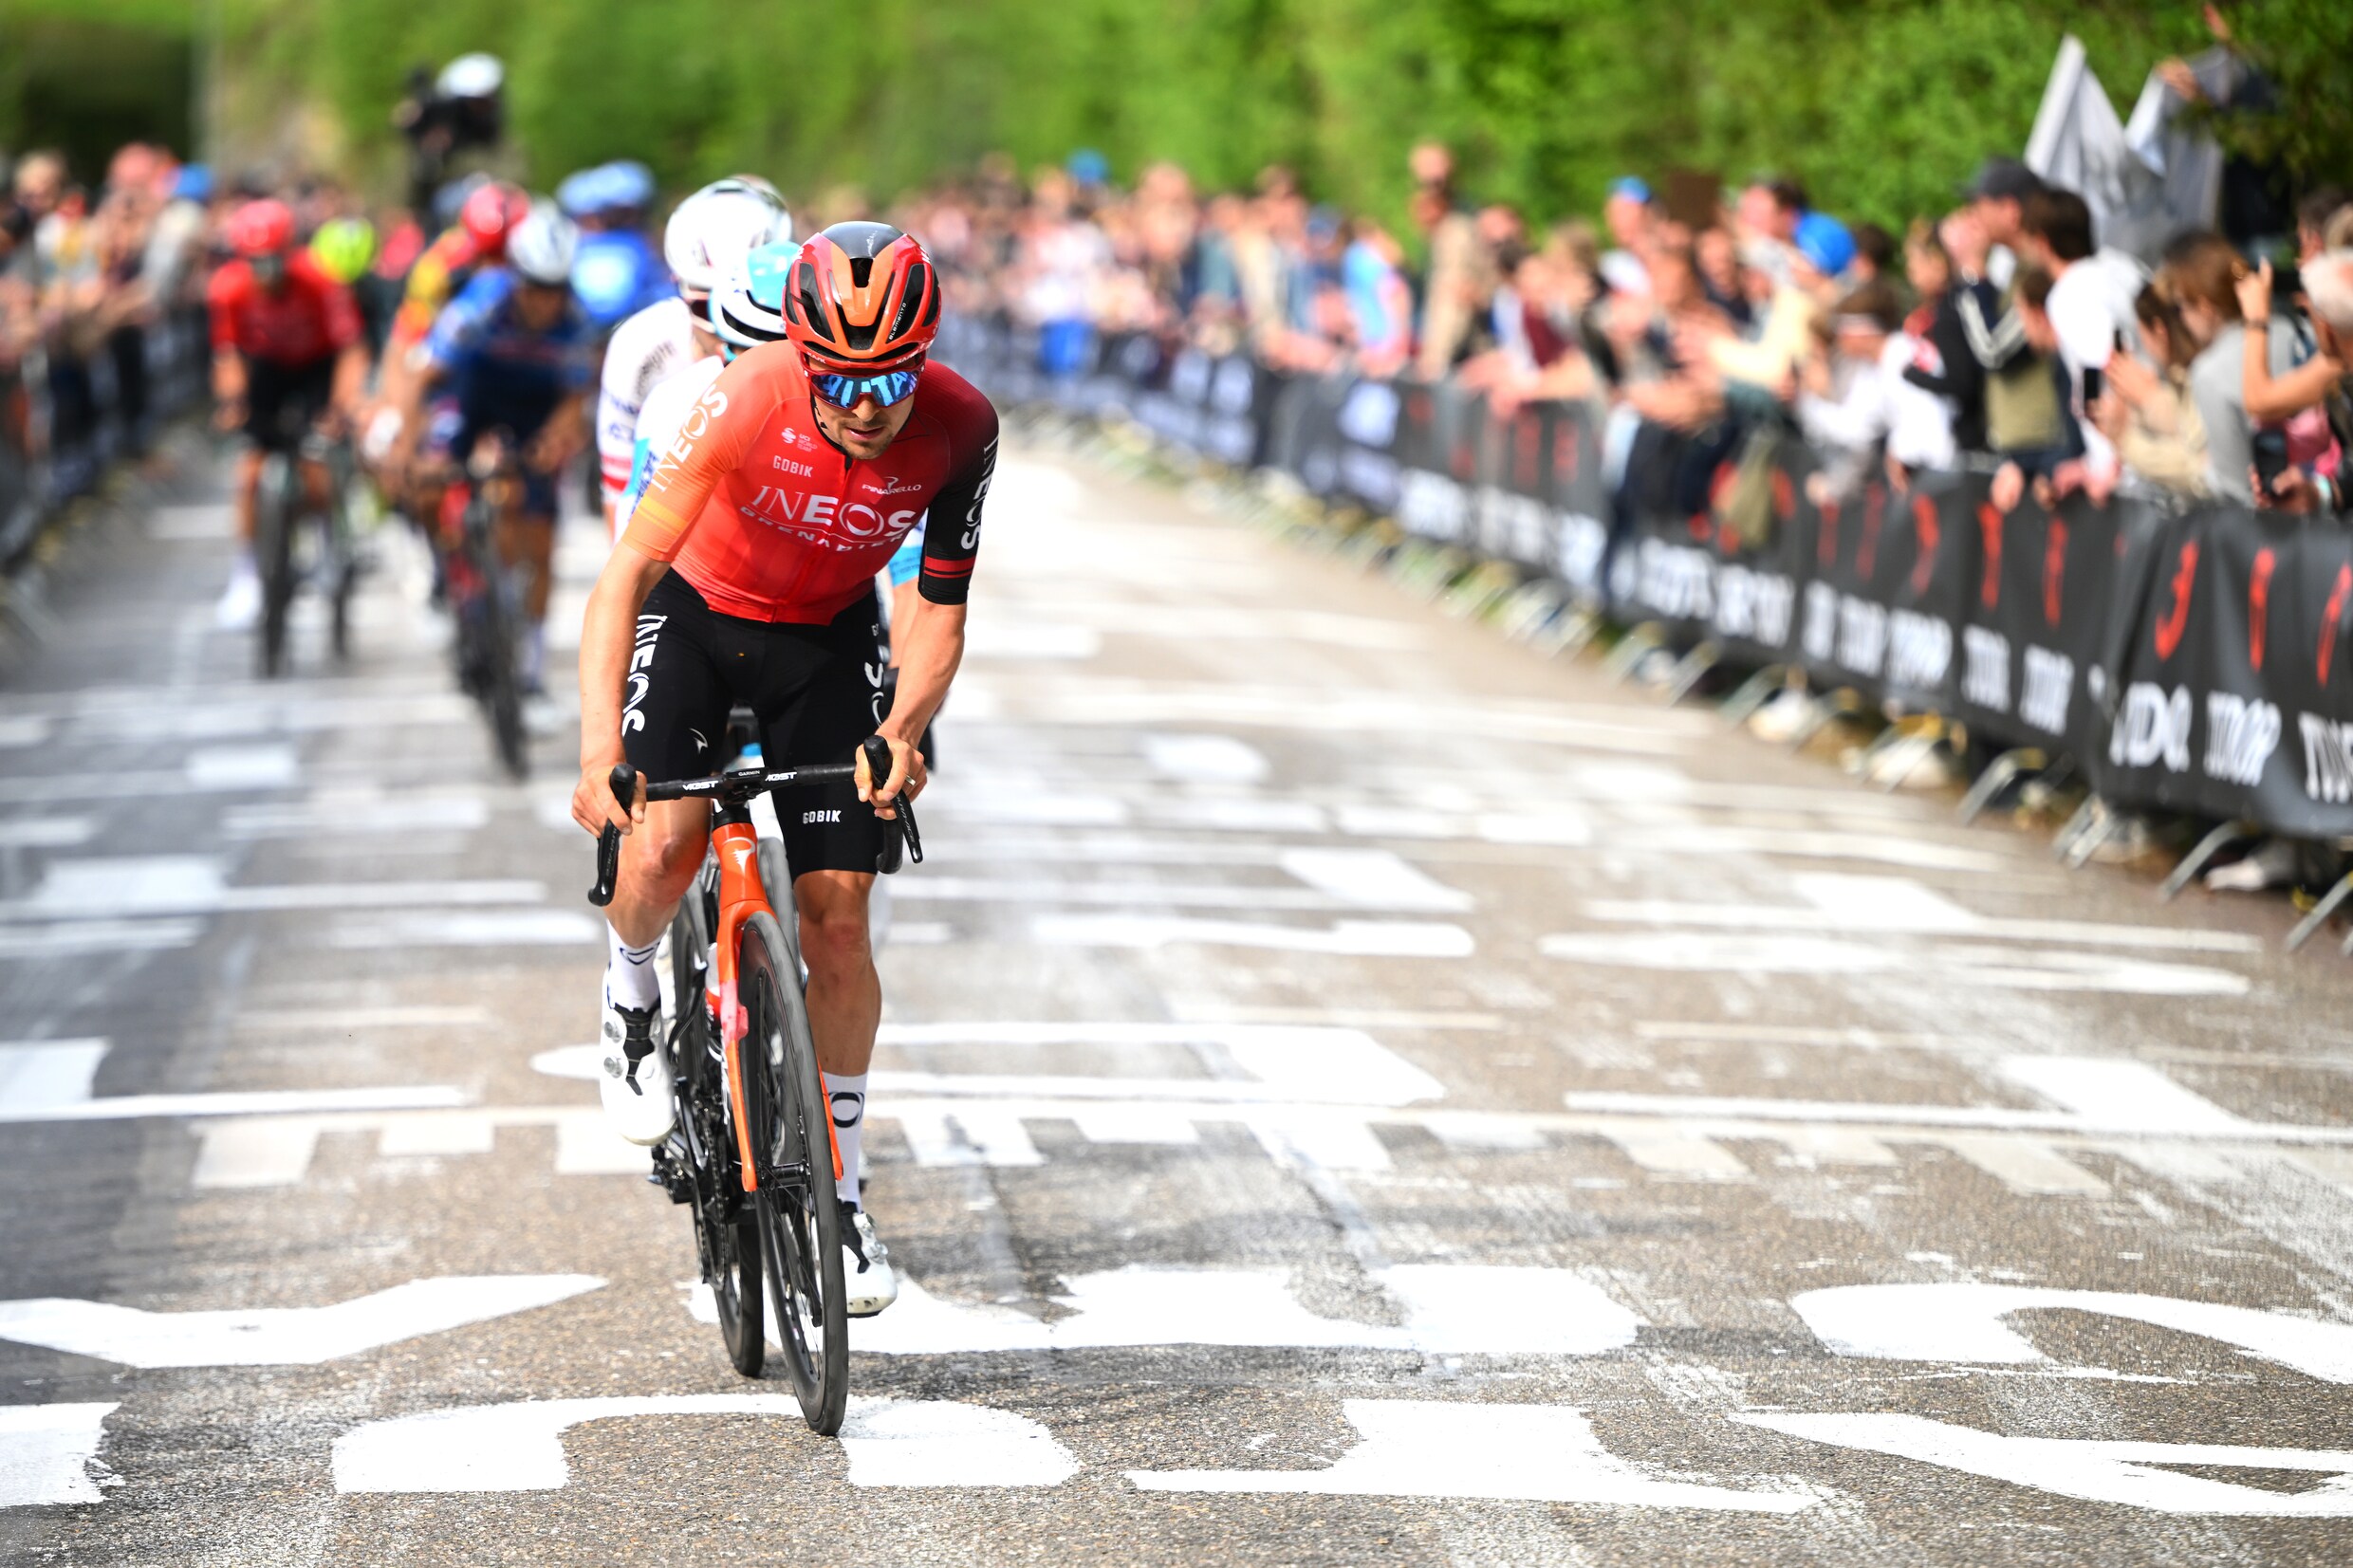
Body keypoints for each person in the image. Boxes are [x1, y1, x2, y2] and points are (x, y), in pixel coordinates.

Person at [570, 221, 999, 1318]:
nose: (867, 407)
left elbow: (937, 613)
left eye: (891, 379)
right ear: (804, 358)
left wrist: (902, 731)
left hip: (824, 636)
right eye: (843, 382)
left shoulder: (960, 428)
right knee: (661, 849)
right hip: (698, 615)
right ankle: (629, 1000)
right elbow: (624, 576)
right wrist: (596, 751)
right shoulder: (741, 400)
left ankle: (842, 1199)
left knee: (842, 922)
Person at [410, 201, 593, 692]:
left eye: (555, 289)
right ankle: (448, 573)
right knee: (429, 485)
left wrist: (555, 440)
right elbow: (426, 375)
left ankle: (530, 663)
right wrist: (414, 449)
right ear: (516, 277)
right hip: (473, 399)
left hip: (535, 411)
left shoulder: (576, 320)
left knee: (541, 539)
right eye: (535, 287)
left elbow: (575, 399)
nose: (544, 302)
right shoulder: (479, 305)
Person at [205, 197, 368, 628]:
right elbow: (228, 355)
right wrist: (232, 403)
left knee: (316, 467)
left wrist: (340, 407)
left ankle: (328, 541)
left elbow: (350, 350)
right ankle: (247, 576)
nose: (266, 274)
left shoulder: (321, 280)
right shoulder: (228, 288)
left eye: (274, 263)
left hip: (316, 367)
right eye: (256, 264)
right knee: (250, 473)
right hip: (268, 370)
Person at [595, 176, 789, 536]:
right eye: (706, 306)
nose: (727, 329)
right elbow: (620, 488)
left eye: (750, 310)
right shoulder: (639, 345)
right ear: (677, 285)